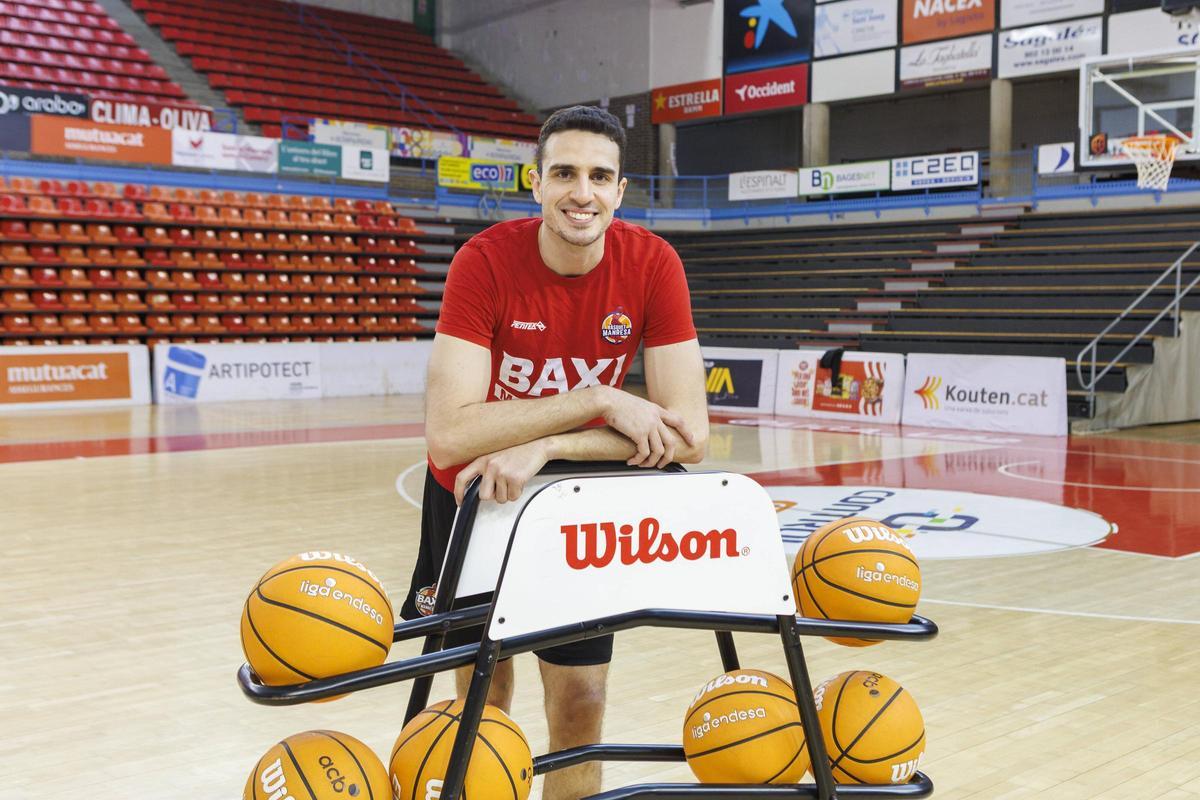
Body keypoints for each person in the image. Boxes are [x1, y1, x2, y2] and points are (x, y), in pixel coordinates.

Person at [401, 105, 709, 800]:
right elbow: (449, 435)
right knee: (483, 704)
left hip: (573, 504)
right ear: (534, 184)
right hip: (473, 497)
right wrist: (597, 398)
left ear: (621, 191)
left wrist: (551, 444)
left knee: (581, 708)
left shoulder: (654, 264)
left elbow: (691, 434)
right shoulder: (482, 263)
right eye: (564, 173)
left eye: (600, 176)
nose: (582, 192)